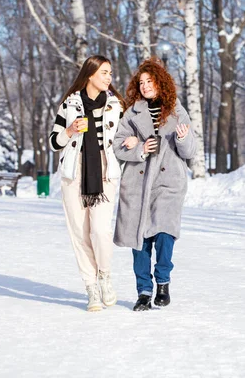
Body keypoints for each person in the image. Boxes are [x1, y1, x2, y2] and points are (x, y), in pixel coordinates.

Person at [49, 55, 134, 312]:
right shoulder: (69, 104)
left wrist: (131, 142)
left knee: (100, 231)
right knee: (80, 234)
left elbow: (129, 134)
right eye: (105, 73)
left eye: (110, 73)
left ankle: (105, 276)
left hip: (105, 174)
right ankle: (91, 288)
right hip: (73, 175)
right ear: (90, 75)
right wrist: (70, 130)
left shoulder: (117, 105)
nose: (109, 77)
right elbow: (54, 141)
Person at [113, 57, 197, 311]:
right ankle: (143, 291)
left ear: (161, 83)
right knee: (139, 240)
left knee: (164, 233)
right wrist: (138, 147)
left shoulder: (176, 110)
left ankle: (163, 282)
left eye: (150, 81)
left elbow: (190, 150)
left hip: (168, 182)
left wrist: (182, 139)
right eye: (141, 82)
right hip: (138, 183)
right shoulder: (132, 113)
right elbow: (118, 145)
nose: (146, 86)